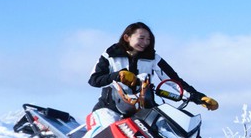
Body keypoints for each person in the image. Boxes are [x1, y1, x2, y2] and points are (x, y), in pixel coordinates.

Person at [87, 21, 218, 122]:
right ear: (127, 37)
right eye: (141, 38)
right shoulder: (110, 55)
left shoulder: (153, 58)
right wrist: (117, 76)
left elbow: (174, 81)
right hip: (110, 108)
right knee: (109, 132)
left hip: (144, 110)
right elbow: (94, 80)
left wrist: (199, 98)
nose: (145, 43)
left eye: (148, 39)